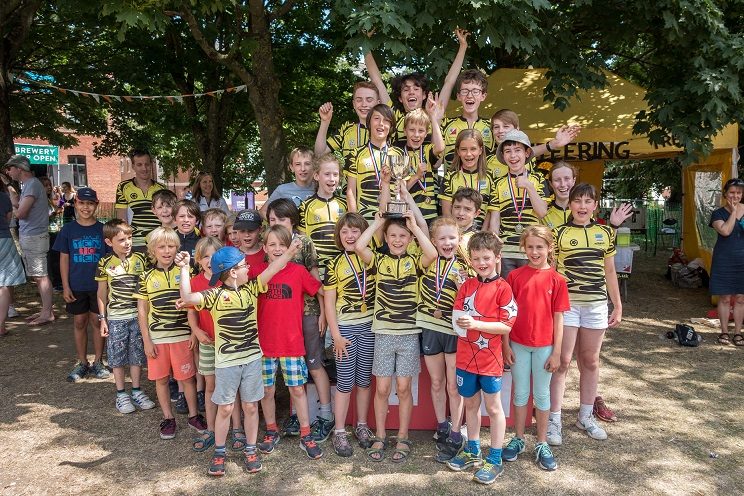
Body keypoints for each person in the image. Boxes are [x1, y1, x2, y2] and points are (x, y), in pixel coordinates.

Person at [176, 240, 302, 476]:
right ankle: (220, 451)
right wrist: (184, 268)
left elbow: (272, 269)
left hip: (252, 359)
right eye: (244, 266)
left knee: (250, 407)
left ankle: (251, 449)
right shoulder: (213, 296)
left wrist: (291, 251)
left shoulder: (252, 288)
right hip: (226, 363)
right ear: (233, 272)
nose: (249, 269)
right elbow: (188, 297)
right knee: (225, 408)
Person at [355, 210, 437, 463]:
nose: (398, 240)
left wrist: (414, 225)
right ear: (386, 238)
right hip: (383, 332)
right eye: (393, 235)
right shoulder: (378, 260)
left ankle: (403, 436)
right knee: (382, 388)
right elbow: (359, 245)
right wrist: (378, 223)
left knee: (403, 388)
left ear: (410, 239)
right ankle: (380, 435)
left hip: (409, 334)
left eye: (403, 236)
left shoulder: (415, 261)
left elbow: (432, 254)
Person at [548, 183, 622, 445]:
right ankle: (553, 420)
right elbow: (552, 272)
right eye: (577, 201)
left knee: (590, 360)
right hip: (567, 306)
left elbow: (610, 271)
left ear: (595, 206)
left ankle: (585, 416)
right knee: (563, 361)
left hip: (596, 306)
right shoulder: (558, 233)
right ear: (570, 205)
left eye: (587, 201)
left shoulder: (605, 233)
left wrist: (618, 304)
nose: (582, 206)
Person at [446, 231, 516, 485]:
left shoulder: (503, 288)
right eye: (476, 259)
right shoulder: (466, 286)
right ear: (471, 260)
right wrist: (463, 323)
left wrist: (475, 323)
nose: (481, 263)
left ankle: (495, 458)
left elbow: (506, 326)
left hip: (490, 361)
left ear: (497, 258)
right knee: (472, 406)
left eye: (486, 258)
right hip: (465, 358)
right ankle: (472, 449)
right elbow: (457, 320)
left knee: (494, 407)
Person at [251, 226, 324, 460]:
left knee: (297, 389)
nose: (277, 249)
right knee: (267, 390)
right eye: (271, 244)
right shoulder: (258, 271)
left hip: (291, 342)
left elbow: (320, 291)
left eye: (282, 244)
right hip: (264, 344)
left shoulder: (299, 271)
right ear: (264, 248)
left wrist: (324, 314)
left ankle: (306, 433)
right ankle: (271, 430)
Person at [502, 226, 569, 471]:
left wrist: (557, 352)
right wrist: (505, 344)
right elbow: (507, 315)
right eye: (530, 247)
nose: (534, 251)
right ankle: (518, 438)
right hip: (518, 345)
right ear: (523, 248)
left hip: (545, 347)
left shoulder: (557, 279)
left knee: (542, 396)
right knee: (520, 394)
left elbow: (559, 318)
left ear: (549, 248)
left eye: (539, 247)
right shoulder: (515, 277)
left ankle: (541, 443)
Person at [265, 198, 333, 441]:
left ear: (292, 220)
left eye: (282, 219)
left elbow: (315, 278)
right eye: (272, 219)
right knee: (292, 368)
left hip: (307, 311)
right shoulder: (272, 242)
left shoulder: (303, 241)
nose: (277, 223)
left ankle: (325, 414)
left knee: (314, 364)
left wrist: (324, 312)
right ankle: (297, 415)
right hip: (284, 315)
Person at [135, 227, 207, 440]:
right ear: (152, 250)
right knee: (162, 380)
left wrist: (193, 332)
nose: (166, 251)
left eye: (171, 246)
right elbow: (142, 310)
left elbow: (193, 304)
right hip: (157, 338)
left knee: (187, 378)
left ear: (177, 248)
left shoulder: (186, 272)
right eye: (161, 247)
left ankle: (194, 415)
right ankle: (168, 417)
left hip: (182, 336)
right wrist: (146, 340)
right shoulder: (145, 276)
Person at [184, 237, 248, 453]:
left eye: (214, 255)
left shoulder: (228, 279)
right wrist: (196, 331)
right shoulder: (195, 283)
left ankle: (237, 428)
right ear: (198, 260)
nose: (210, 260)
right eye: (205, 257)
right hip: (209, 342)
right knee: (211, 387)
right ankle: (211, 429)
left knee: (233, 388)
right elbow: (191, 311)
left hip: (229, 344)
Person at [323, 213, 376, 456]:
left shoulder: (371, 257)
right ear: (338, 236)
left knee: (364, 381)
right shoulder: (333, 264)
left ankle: (362, 426)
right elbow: (330, 303)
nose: (350, 236)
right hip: (345, 330)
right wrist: (336, 335)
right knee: (345, 382)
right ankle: (340, 431)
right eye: (344, 232)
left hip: (369, 327)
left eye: (355, 231)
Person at [417, 217, 467, 462]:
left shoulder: (464, 267)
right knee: (436, 382)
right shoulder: (426, 261)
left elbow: (468, 304)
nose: (447, 243)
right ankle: (442, 425)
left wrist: (462, 286)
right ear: (434, 241)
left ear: (459, 240)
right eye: (442, 238)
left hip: (453, 331)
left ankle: (456, 431)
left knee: (452, 385)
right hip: (429, 328)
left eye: (452, 238)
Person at [365, 29, 469, 140]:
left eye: (416, 88)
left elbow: (450, 82)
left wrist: (463, 47)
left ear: (424, 95)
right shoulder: (393, 116)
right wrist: (364, 43)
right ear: (400, 98)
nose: (411, 92)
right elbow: (376, 80)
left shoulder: (434, 113)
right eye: (406, 89)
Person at [96, 219, 155, 413]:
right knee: (117, 357)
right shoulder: (104, 262)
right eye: (121, 239)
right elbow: (101, 293)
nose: (127, 242)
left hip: (137, 316)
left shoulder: (140, 259)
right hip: (116, 318)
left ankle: (137, 390)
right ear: (109, 242)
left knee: (137, 355)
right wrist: (103, 318)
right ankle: (121, 394)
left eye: (129, 238)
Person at [51, 188, 110, 382]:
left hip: (98, 286)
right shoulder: (68, 230)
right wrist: (65, 286)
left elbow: (110, 259)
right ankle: (82, 362)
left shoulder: (102, 229)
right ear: (75, 204)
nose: (86, 207)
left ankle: (99, 361)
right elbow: (64, 260)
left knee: (97, 322)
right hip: (76, 284)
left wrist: (108, 285)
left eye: (90, 203)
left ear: (96, 205)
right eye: (82, 203)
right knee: (79, 322)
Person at [487, 130, 549, 279]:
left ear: (527, 153)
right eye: (508, 151)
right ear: (503, 155)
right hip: (506, 251)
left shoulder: (538, 179)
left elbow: (542, 212)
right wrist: (494, 247)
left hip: (531, 251)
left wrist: (529, 186)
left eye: (517, 150)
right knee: (508, 297)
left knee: (530, 297)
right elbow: (495, 218)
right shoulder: (498, 183)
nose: (513, 156)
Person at [4, 155, 54, 325]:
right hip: (32, 235)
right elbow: (23, 208)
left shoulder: (32, 184)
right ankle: (46, 310)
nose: (8, 172)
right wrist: (14, 200)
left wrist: (11, 209)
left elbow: (21, 213)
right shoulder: (29, 185)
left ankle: (47, 312)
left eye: (10, 168)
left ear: (19, 168)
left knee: (41, 275)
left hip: (34, 236)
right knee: (38, 275)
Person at [346, 104, 403, 223]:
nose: (381, 123)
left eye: (386, 120)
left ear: (391, 126)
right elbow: (351, 191)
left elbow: (403, 188)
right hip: (365, 217)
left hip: (392, 216)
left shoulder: (399, 154)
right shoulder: (355, 154)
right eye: (377, 118)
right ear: (369, 123)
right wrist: (355, 221)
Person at [487, 109, 580, 178]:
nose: (500, 131)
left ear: (517, 129)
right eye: (496, 127)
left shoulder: (528, 156)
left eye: (506, 126)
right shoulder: (487, 160)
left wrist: (554, 144)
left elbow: (532, 151)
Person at [394, 105, 445, 224]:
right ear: (405, 131)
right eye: (412, 130)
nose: (416, 135)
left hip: (429, 213)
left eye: (421, 131)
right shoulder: (399, 154)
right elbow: (400, 190)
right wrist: (417, 176)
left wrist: (432, 116)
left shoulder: (427, 150)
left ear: (427, 132)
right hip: (408, 213)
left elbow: (440, 147)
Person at [709, 178, 744, 345]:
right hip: (724, 259)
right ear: (725, 194)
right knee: (724, 297)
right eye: (732, 192)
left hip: (742, 260)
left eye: (738, 193)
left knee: (740, 298)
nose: (735, 196)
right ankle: (724, 332)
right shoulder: (718, 214)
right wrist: (734, 212)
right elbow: (726, 231)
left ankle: (738, 333)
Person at [298, 153, 347, 272]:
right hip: (315, 270)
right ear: (316, 176)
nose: (332, 179)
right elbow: (303, 241)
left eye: (335, 174)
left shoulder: (345, 205)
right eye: (327, 174)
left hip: (340, 268)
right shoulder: (306, 206)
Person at [441, 69, 494, 168]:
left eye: (475, 91)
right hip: (453, 182)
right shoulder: (445, 124)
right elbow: (435, 160)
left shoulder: (493, 127)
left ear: (483, 96)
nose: (470, 95)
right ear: (458, 96)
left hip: (484, 182)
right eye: (465, 91)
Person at [315, 83, 380, 164]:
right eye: (359, 100)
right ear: (354, 104)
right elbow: (319, 155)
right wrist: (325, 122)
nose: (364, 104)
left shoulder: (386, 129)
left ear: (378, 103)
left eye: (369, 100)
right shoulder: (346, 130)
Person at [440, 129, 492, 229]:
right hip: (456, 234)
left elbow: (491, 212)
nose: (468, 154)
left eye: (473, 149)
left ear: (480, 150)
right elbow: (447, 213)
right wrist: (457, 234)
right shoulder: (449, 177)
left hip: (482, 236)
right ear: (458, 151)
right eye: (464, 149)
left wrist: (480, 236)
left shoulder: (490, 177)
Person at [115, 149, 166, 249]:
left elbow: (166, 216)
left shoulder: (162, 188)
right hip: (136, 243)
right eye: (139, 165)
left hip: (158, 242)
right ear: (133, 166)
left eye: (147, 164)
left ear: (151, 164)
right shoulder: (123, 187)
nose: (144, 168)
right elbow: (121, 219)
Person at [0, 177, 25, 336]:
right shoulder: (3, 197)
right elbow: (9, 218)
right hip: (4, 238)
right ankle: (1, 325)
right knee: (3, 283)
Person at [260, 148, 316, 219]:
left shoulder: (320, 189)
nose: (303, 169)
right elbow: (263, 211)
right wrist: (278, 227)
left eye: (307, 164)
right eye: (298, 164)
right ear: (291, 167)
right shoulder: (282, 190)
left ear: (314, 166)